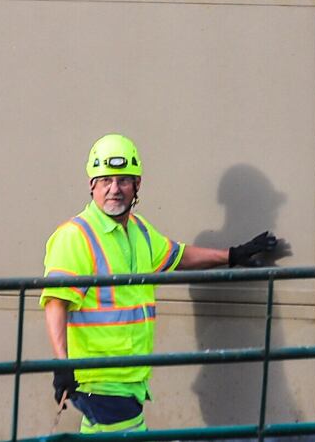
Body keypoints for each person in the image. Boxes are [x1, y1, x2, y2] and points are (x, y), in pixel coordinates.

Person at [41, 134, 281, 434]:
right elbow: (55, 302)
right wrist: (62, 363)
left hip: (131, 375)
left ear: (137, 185)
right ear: (92, 185)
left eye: (123, 181)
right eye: (106, 181)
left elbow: (178, 255)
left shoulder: (139, 231)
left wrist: (232, 254)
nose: (114, 190)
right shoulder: (75, 235)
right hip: (100, 379)